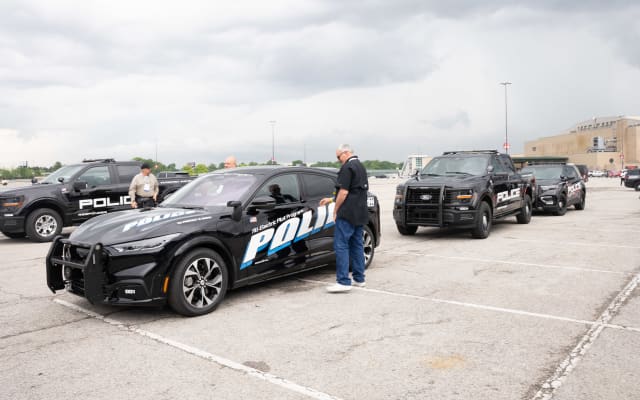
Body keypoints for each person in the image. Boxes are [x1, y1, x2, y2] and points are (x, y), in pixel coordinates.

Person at [320, 144, 369, 293]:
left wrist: (335, 210)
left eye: (338, 157)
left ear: (346, 153)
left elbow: (344, 192)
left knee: (341, 245)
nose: (338, 160)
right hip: (360, 212)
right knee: (357, 245)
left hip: (347, 213)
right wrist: (331, 199)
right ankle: (359, 279)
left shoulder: (347, 167)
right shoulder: (361, 166)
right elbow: (354, 190)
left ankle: (343, 281)